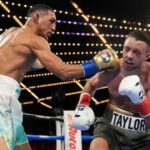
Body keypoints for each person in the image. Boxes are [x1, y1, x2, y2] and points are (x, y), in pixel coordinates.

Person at [0, 3, 120, 150]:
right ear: (36, 17)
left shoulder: (10, 32)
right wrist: (96, 64)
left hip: (8, 98)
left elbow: (11, 65)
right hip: (3, 98)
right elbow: (63, 72)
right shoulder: (36, 40)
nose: (54, 28)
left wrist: (33, 64)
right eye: (51, 21)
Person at [72, 30, 150, 150]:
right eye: (127, 49)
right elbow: (91, 85)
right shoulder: (114, 68)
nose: (129, 55)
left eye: (136, 52)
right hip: (110, 126)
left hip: (143, 132)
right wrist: (82, 105)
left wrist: (140, 100)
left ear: (147, 56)